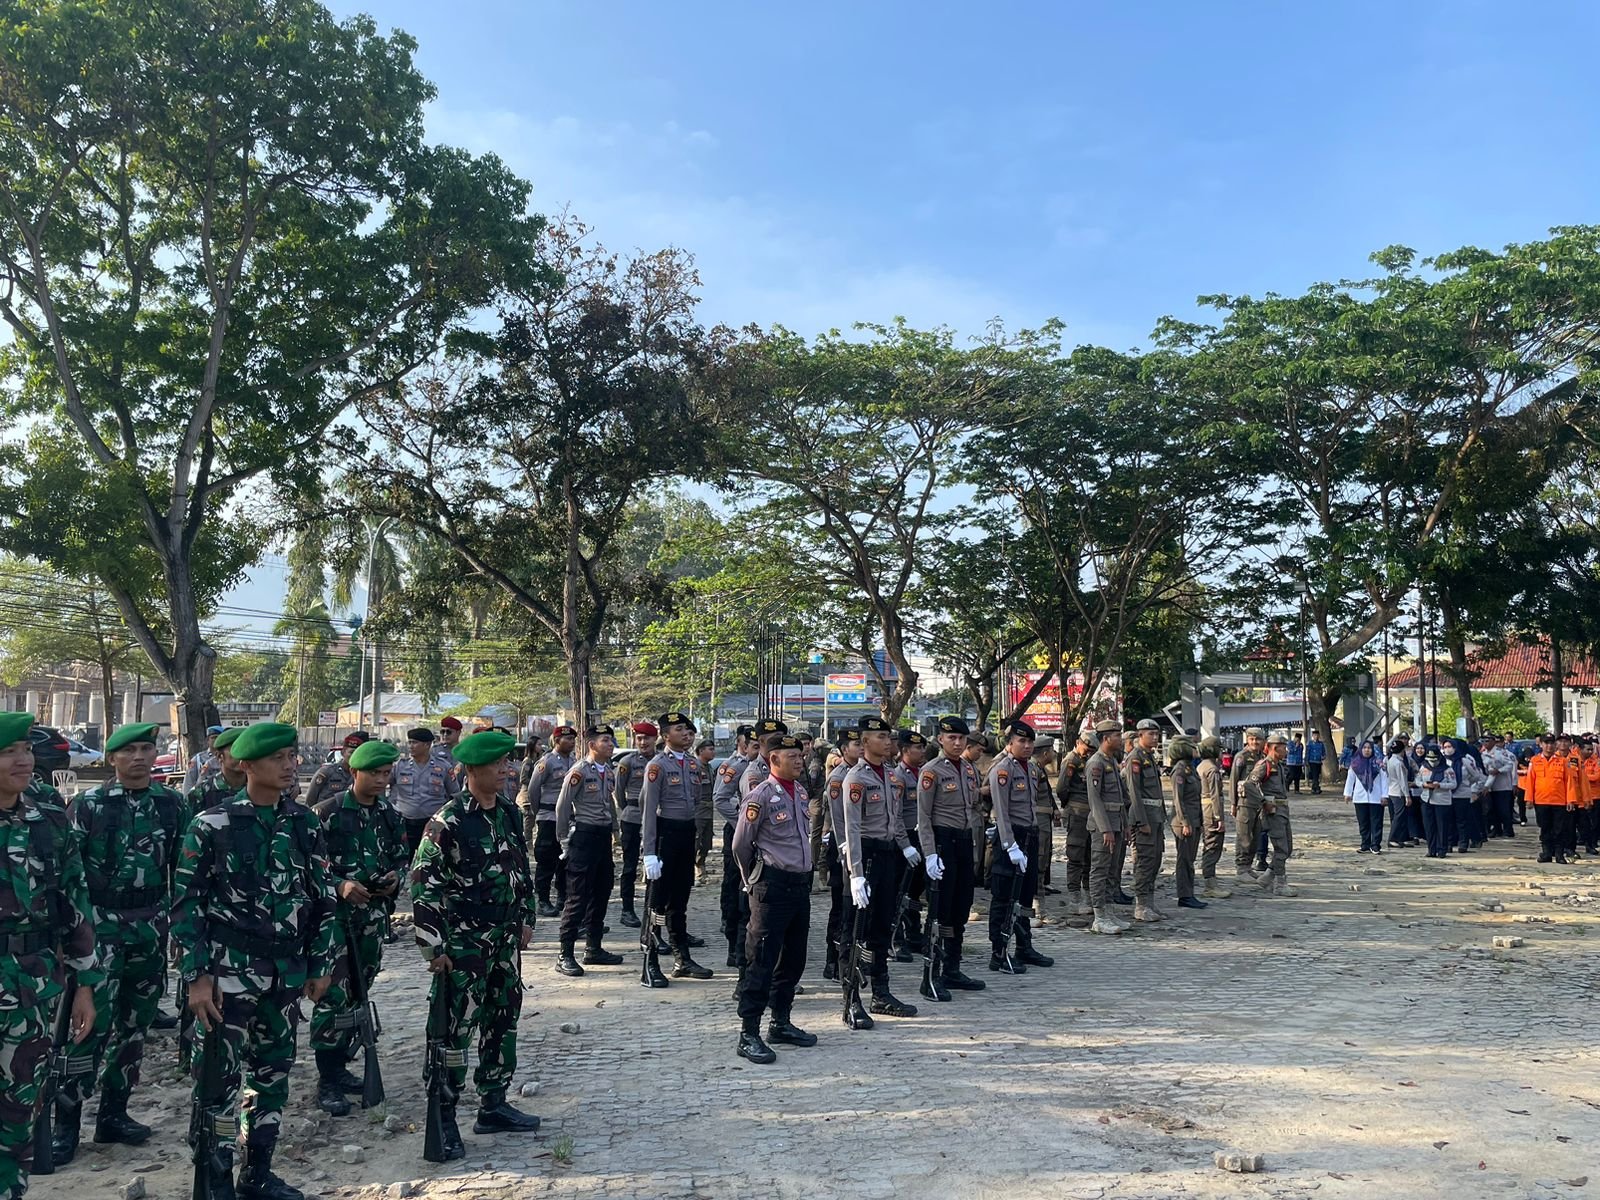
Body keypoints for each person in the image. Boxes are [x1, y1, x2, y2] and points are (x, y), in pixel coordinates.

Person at [172, 722, 336, 1200]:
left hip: (284, 976)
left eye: (292, 756)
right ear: (246, 765)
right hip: (228, 977)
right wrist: (197, 978)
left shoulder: (304, 823)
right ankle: (216, 1178)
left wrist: (321, 963)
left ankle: (257, 1173)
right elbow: (186, 907)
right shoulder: (212, 825)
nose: (292, 765)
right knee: (218, 1083)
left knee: (272, 1077)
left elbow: (323, 899)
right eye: (278, 758)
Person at [52, 722, 186, 1163]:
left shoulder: (172, 805)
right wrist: (75, 940)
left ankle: (114, 1113)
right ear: (112, 759)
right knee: (89, 1029)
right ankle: (65, 1122)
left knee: (135, 1027)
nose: (140, 757)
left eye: (147, 749)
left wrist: (178, 930)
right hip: (101, 929)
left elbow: (182, 875)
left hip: (149, 928)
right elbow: (71, 877)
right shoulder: (89, 805)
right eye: (129, 751)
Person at [410, 729, 539, 1161]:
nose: (508, 770)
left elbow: (522, 868)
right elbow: (424, 888)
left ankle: (494, 1102)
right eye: (500, 764)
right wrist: (434, 948)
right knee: (453, 1029)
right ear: (473, 769)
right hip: (463, 943)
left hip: (504, 941)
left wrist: (526, 918)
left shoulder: (504, 812)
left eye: (509, 762)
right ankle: (444, 1112)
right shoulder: (447, 821)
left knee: (503, 1018)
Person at [0, 712, 99, 1200]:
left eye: (25, 749)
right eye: (8, 752)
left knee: (21, 1106)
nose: (24, 760)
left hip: (35, 982)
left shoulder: (51, 821)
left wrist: (84, 986)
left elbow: (75, 905)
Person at [308, 739, 408, 1116]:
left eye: (386, 773)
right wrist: (340, 886)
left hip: (371, 922)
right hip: (334, 924)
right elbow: (310, 865)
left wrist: (394, 879)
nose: (382, 780)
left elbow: (400, 854)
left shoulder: (389, 814)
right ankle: (328, 1078)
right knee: (331, 997)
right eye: (375, 773)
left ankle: (342, 1063)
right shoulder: (326, 813)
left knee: (359, 993)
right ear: (354, 773)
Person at [731, 733, 816, 1064]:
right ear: (773, 760)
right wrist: (751, 877)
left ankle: (780, 1022)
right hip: (772, 887)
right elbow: (741, 844)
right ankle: (748, 1032)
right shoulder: (760, 796)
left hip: (799, 885)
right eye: (791, 756)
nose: (799, 760)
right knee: (762, 959)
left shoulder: (801, 792)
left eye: (800, 755)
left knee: (794, 958)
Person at [841, 716, 920, 1020]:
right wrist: (856, 873)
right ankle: (850, 997)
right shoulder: (856, 779)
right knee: (858, 929)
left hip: (888, 855)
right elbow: (852, 828)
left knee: (882, 927)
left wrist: (905, 846)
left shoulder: (889, 775)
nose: (888, 742)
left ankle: (881, 993)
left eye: (889, 737)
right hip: (867, 855)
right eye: (881, 737)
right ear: (864, 743)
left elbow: (895, 818)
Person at [640, 712, 714, 986]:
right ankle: (650, 962)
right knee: (656, 902)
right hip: (664, 836)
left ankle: (682, 958)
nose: (686, 733)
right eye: (679, 729)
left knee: (680, 900)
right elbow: (647, 809)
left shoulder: (693, 765)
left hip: (686, 834)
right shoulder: (657, 766)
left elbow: (695, 801)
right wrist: (649, 851)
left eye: (687, 729)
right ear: (665, 735)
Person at [916, 716, 986, 997]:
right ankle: (930, 975)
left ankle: (952, 968)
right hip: (942, 842)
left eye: (961, 739)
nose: (957, 743)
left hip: (963, 842)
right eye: (951, 738)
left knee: (960, 907)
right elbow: (923, 817)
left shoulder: (968, 769)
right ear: (940, 740)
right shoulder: (931, 771)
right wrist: (930, 854)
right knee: (939, 911)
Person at [552, 725, 621, 977]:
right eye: (605, 740)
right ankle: (565, 953)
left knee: (601, 891)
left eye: (611, 740)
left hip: (602, 837)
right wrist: (563, 840)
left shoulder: (609, 771)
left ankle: (593, 947)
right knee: (577, 895)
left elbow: (610, 805)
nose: (610, 744)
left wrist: (616, 832)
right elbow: (562, 806)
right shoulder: (579, 771)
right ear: (592, 745)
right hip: (583, 836)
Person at [986, 720, 1054, 968]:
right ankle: (998, 951)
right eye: (1021, 741)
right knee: (1004, 896)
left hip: (1029, 835)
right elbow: (1001, 812)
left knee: (1026, 894)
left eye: (1029, 742)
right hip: (1011, 838)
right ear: (1009, 743)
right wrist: (1009, 844)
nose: (1026, 746)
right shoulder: (1002, 770)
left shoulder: (1031, 769)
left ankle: (1024, 946)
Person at [712, 725, 757, 968]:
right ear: (743, 745)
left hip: (758, 834)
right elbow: (719, 798)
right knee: (734, 885)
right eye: (754, 745)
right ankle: (734, 945)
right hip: (738, 831)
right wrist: (740, 822)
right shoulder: (735, 767)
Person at [520, 726, 576, 918]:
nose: (571, 742)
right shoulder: (546, 762)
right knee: (546, 860)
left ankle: (562, 897)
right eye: (567, 738)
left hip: (568, 819)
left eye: (573, 739)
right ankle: (543, 900)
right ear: (556, 741)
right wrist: (540, 812)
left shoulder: (575, 762)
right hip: (548, 817)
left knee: (566, 860)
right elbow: (533, 790)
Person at [820, 729, 862, 982]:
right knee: (840, 908)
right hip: (842, 847)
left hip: (860, 845)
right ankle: (832, 961)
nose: (861, 748)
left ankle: (854, 959)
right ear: (844, 749)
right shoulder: (838, 778)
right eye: (856, 744)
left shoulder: (864, 773)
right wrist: (845, 848)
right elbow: (838, 819)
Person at [1083, 721, 1130, 934]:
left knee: (1113, 870)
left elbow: (1121, 798)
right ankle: (1099, 916)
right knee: (1099, 870)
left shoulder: (1111, 761)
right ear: (1106, 738)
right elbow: (1095, 800)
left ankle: (1109, 911)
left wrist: (1125, 825)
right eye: (1117, 735)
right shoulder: (1096, 763)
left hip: (1117, 823)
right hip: (1104, 827)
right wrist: (1105, 829)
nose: (1121, 739)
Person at [1122, 719, 1168, 923]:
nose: (1155, 738)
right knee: (1144, 861)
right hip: (1145, 818)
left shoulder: (1149, 757)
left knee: (1155, 860)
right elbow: (1134, 792)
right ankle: (1141, 905)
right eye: (1151, 734)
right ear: (1140, 736)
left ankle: (1149, 902)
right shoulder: (1135, 758)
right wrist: (1141, 821)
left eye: (1157, 734)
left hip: (1156, 816)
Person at [612, 721, 658, 929]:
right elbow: (618, 792)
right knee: (630, 867)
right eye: (638, 738)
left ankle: (654, 909)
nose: (642, 742)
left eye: (646, 738)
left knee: (657, 866)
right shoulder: (627, 762)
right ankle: (627, 910)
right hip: (632, 817)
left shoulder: (660, 761)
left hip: (657, 819)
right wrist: (628, 809)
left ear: (654, 739)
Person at [389, 727, 460, 859]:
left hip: (433, 824)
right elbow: (384, 784)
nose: (410, 746)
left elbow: (455, 794)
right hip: (405, 823)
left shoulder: (443, 767)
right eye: (409, 742)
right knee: (404, 859)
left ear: (427, 745)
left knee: (431, 859)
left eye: (414, 742)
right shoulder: (400, 766)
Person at [890, 730, 929, 961]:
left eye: (924, 748)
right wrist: (905, 845)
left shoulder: (924, 773)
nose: (922, 751)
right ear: (905, 751)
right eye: (918, 748)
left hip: (922, 837)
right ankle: (897, 938)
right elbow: (895, 815)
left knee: (916, 891)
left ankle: (915, 935)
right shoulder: (898, 777)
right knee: (901, 891)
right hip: (905, 839)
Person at [1244, 731, 1296, 895]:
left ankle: (1267, 877)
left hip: (1282, 810)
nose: (1286, 751)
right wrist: (1263, 802)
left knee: (1287, 848)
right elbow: (1249, 785)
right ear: (1274, 748)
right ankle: (1280, 884)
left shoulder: (1278, 765)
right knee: (1281, 849)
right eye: (1283, 747)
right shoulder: (1264, 764)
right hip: (1273, 812)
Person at [1054, 729, 1095, 915]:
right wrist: (1068, 805)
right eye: (1086, 748)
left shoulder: (1087, 761)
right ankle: (1074, 897)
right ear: (1079, 742)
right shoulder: (1071, 761)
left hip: (1089, 813)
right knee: (1076, 854)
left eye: (1091, 749)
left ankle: (1087, 894)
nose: (1088, 752)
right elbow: (1062, 787)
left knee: (1089, 854)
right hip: (1076, 812)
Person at [1166, 735, 1206, 909]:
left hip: (1194, 819)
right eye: (1192, 746)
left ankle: (1189, 893)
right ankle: (1184, 895)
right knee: (1184, 860)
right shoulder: (1180, 770)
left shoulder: (1190, 769)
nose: (1195, 749)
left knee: (1190, 859)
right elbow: (1178, 799)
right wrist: (1184, 822)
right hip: (1184, 822)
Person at [1194, 737, 1232, 899]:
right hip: (1211, 810)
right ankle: (1210, 884)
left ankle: (1210, 880)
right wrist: (1219, 818)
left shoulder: (1201, 766)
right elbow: (1215, 795)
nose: (1221, 752)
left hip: (1203, 808)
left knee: (1209, 844)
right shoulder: (1212, 769)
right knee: (1213, 845)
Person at [1526, 734, 1571, 863]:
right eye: (1546, 743)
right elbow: (1530, 781)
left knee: (1559, 829)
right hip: (1541, 801)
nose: (1549, 746)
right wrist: (1529, 799)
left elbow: (1569, 782)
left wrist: (1570, 800)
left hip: (1559, 801)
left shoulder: (1563, 761)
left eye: (1551, 743)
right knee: (1545, 828)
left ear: (1555, 745)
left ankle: (1559, 854)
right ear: (1541, 745)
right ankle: (1546, 853)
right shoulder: (1534, 761)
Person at [1230, 727, 1266, 882]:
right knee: (1244, 835)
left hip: (1258, 802)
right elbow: (1233, 780)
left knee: (1256, 836)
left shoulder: (1263, 757)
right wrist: (1233, 803)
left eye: (1257, 739)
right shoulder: (1241, 757)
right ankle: (1241, 868)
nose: (1254, 742)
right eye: (1251, 739)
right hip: (1244, 802)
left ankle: (1249, 866)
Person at [304, 731, 369, 810]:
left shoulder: (362, 777)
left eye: (357, 753)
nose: (354, 757)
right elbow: (310, 800)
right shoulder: (326, 772)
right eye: (351, 753)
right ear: (343, 752)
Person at [1344, 738, 1385, 853]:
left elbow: (1384, 781)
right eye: (1365, 748)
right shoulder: (1355, 764)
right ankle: (1365, 844)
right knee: (1363, 822)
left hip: (1376, 797)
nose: (1367, 750)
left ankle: (1375, 844)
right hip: (1360, 798)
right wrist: (1348, 793)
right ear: (1361, 749)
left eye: (1369, 748)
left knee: (1376, 822)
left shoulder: (1378, 764)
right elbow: (1350, 779)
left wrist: (1384, 795)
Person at [1417, 744, 1457, 859]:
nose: (1432, 763)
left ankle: (1442, 850)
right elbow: (1418, 780)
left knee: (1442, 827)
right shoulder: (1424, 767)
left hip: (1442, 801)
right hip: (1427, 799)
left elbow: (1453, 784)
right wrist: (1423, 785)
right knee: (1429, 826)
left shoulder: (1448, 769)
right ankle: (1431, 849)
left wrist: (1440, 785)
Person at [1448, 738, 1483, 854]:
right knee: (1449, 820)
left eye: (1450, 746)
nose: (1448, 749)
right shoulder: (1444, 760)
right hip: (1447, 794)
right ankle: (1450, 842)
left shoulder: (1466, 760)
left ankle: (1463, 843)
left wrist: (1467, 784)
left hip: (1462, 793)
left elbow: (1476, 775)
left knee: (1462, 820)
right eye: (1446, 747)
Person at [1483, 734, 1518, 839]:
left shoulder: (1501, 753)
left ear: (1493, 742)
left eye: (1488, 741)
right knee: (1492, 810)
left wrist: (1499, 771)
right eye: (1484, 741)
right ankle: (1497, 829)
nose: (1485, 743)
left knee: (1504, 810)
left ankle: (1508, 830)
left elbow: (1510, 765)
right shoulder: (1483, 754)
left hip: (1503, 786)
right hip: (1491, 786)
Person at [1385, 738, 1417, 849]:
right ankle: (1392, 838)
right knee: (1399, 816)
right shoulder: (1399, 763)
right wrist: (1407, 796)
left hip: (1392, 790)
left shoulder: (1390, 760)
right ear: (1402, 750)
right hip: (1399, 792)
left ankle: (1399, 838)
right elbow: (1402, 780)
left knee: (1399, 816)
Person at [694, 739, 717, 883]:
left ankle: (701, 866)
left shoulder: (709, 768)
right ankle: (697, 871)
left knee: (706, 841)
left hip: (708, 810)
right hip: (697, 810)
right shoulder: (694, 767)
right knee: (696, 840)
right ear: (701, 751)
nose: (713, 751)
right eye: (710, 749)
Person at [183, 725, 227, 791]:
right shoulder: (197, 759)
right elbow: (188, 783)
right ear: (207, 740)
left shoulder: (228, 757)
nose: (217, 740)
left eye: (220, 737)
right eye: (214, 737)